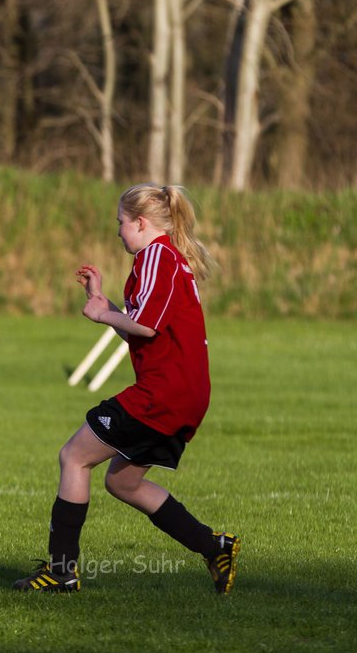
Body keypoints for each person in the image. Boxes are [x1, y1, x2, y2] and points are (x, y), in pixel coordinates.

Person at [14, 183, 239, 593]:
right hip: (183, 394)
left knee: (74, 458)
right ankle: (215, 546)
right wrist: (105, 304)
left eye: (120, 222)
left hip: (163, 392)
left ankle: (62, 571)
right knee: (123, 483)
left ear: (140, 222)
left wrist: (104, 316)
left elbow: (146, 326)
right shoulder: (167, 259)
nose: (117, 231)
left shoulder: (156, 256)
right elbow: (144, 332)